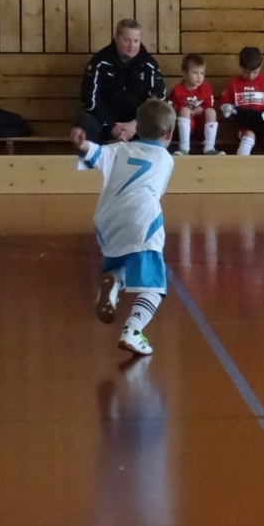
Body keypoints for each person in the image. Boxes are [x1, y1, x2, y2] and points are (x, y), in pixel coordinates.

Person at [71, 97, 176, 355]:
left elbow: (93, 154)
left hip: (107, 220)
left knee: (121, 263)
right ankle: (133, 331)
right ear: (170, 133)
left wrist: (81, 143)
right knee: (155, 286)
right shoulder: (165, 158)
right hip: (143, 219)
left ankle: (114, 283)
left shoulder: (118, 149)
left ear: (136, 127)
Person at [80, 18, 165, 143]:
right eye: (127, 40)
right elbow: (89, 99)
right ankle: (92, 155)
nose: (132, 45)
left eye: (136, 41)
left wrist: (135, 124)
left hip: (138, 126)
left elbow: (158, 98)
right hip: (105, 123)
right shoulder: (100, 61)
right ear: (116, 38)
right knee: (86, 120)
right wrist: (112, 126)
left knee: (161, 118)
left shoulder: (149, 64)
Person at [219, 46, 264, 155]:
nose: (250, 76)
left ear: (260, 66)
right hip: (244, 124)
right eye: (246, 72)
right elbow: (224, 103)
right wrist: (227, 109)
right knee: (249, 136)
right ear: (240, 66)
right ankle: (241, 164)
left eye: (255, 72)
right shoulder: (233, 83)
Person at [168, 53, 224, 156]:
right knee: (184, 111)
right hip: (184, 129)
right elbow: (172, 111)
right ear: (185, 74)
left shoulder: (206, 89)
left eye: (202, 73)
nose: (199, 77)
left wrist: (200, 109)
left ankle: (209, 148)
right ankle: (184, 148)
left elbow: (208, 106)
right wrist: (189, 112)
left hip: (202, 128)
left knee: (211, 111)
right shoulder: (177, 90)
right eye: (195, 73)